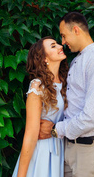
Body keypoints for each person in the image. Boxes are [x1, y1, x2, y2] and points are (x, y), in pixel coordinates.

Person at [39, 12, 94, 177]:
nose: (63, 42)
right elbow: (77, 103)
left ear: (76, 30)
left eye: (64, 36)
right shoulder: (78, 60)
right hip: (71, 147)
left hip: (90, 149)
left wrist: (54, 129)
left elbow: (90, 117)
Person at [12, 36, 68, 176]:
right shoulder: (38, 86)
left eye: (58, 44)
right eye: (53, 46)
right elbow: (30, 135)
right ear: (44, 58)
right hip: (43, 153)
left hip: (62, 150)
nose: (60, 46)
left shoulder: (67, 81)